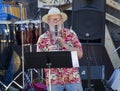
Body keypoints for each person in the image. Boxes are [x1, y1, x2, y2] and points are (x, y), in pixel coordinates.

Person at [37, 7, 83, 91]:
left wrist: (65, 46)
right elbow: (39, 62)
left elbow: (80, 55)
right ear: (48, 22)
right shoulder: (42, 38)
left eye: (57, 19)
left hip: (72, 78)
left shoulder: (71, 34)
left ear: (61, 21)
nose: (56, 22)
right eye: (53, 20)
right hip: (53, 80)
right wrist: (48, 52)